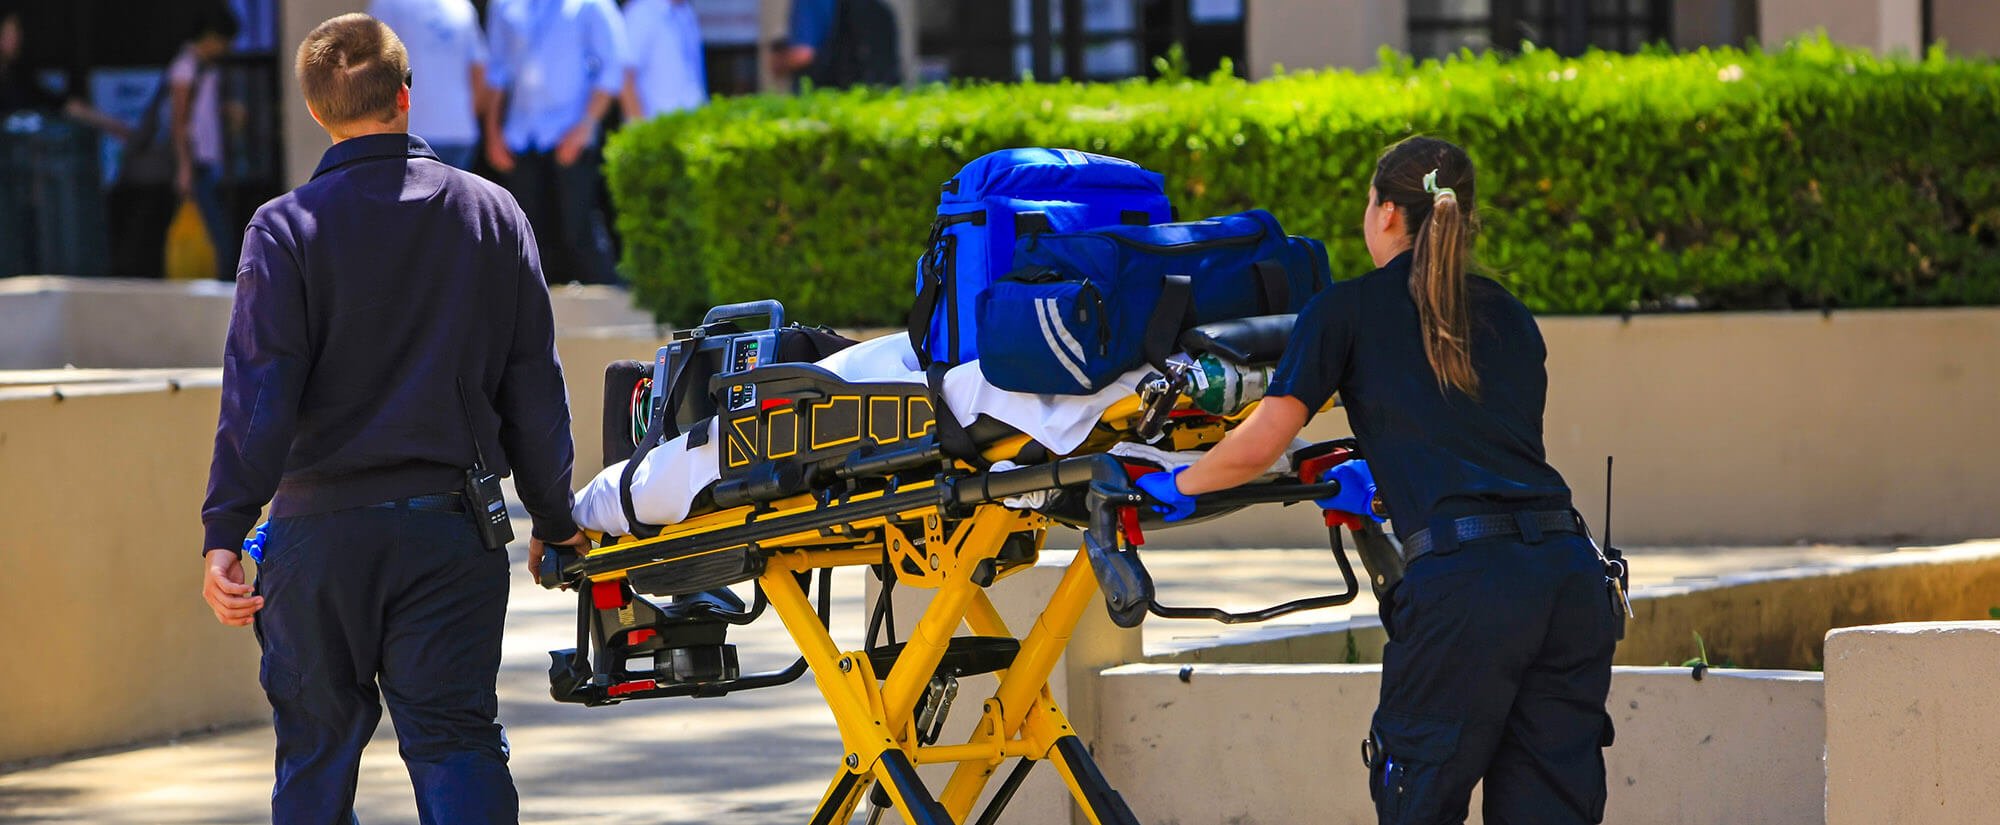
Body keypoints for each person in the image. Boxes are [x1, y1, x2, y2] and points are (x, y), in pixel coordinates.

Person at [1135, 136, 1619, 825]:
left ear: (1387, 213)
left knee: (1416, 796)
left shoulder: (1345, 310)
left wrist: (1175, 483)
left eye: (1370, 203)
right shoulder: (1509, 313)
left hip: (1467, 592)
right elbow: (1484, 449)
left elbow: (1259, 443)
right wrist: (1390, 484)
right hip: (1569, 577)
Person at [198, 14, 583, 823]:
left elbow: (259, 394)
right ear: (407, 97)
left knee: (315, 753)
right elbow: (533, 387)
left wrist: (226, 527)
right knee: (455, 742)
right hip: (450, 532)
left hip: (318, 539)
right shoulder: (492, 213)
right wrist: (554, 515)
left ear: (314, 110)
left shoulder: (285, 228)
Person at [483, 0, 629, 285]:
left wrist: (585, 126)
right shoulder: (504, 6)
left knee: (579, 231)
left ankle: (611, 313)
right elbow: (497, 70)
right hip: (521, 136)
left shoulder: (591, 5)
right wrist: (493, 134)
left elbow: (612, 69)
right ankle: (534, 322)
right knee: (526, 237)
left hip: (571, 135)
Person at [366, 0, 488, 170]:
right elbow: (479, 69)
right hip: (459, 132)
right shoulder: (462, 6)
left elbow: (373, 64)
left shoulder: (389, 3)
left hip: (409, 132)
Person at [165, 9, 240, 279]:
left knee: (220, 236)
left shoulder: (207, 68)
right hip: (197, 164)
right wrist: (184, 168)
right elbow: (179, 121)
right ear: (211, 37)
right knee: (219, 239)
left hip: (210, 160)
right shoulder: (186, 66)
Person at [769, 0, 899, 91]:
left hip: (823, 97)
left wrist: (780, 61)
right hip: (861, 92)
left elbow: (804, 55)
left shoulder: (809, 2)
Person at [619, 0, 705, 121]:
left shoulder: (685, 11)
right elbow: (623, 75)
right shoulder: (641, 11)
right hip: (655, 130)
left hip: (691, 127)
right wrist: (640, 128)